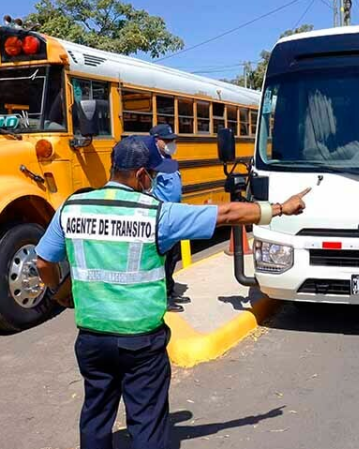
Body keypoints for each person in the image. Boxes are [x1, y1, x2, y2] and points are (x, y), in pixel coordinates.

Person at [34, 136, 310, 449]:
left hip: (92, 338)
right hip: (141, 342)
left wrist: (59, 293)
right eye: (153, 174)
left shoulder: (74, 207)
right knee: (147, 421)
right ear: (140, 175)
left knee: (96, 415)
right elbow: (227, 214)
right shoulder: (157, 214)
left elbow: (43, 261)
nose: (154, 180)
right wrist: (280, 209)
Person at [144, 124, 186, 311]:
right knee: (163, 258)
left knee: (173, 256)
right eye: (167, 140)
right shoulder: (151, 163)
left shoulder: (168, 160)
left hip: (174, 215)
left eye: (172, 140)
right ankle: (162, 298)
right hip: (161, 216)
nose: (171, 143)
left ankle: (169, 289)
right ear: (156, 140)